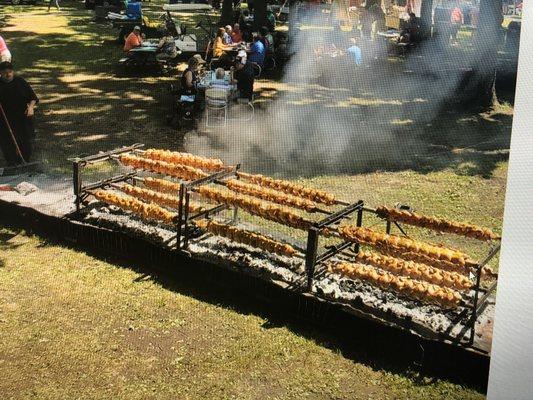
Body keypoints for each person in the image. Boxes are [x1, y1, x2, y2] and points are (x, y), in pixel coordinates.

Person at [0, 62, 39, 165]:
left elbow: (33, 97)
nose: (8, 75)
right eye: (5, 73)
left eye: (10, 72)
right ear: (0, 73)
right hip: (5, 119)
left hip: (22, 117)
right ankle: (12, 163)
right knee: (7, 142)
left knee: (25, 141)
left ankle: (25, 161)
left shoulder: (20, 82)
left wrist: (30, 107)